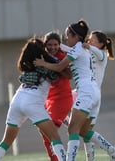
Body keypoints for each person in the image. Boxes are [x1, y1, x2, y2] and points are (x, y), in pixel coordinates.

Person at [34, 19, 115, 161]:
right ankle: (112, 150)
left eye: (68, 35)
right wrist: (47, 43)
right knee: (83, 131)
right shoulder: (80, 48)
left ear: (76, 37)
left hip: (86, 92)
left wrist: (42, 63)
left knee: (72, 130)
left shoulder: (80, 48)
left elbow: (59, 67)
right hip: (92, 92)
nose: (66, 37)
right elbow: (61, 47)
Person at [0, 38, 66, 161]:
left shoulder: (27, 64)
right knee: (55, 137)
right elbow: (60, 71)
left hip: (17, 99)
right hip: (32, 101)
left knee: (6, 141)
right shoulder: (46, 64)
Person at [39, 31, 73, 161]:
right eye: (49, 45)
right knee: (45, 131)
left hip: (62, 99)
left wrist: (53, 64)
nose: (53, 47)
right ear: (45, 45)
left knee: (49, 131)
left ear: (59, 45)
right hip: (48, 99)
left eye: (55, 45)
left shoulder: (62, 56)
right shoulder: (43, 56)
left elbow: (69, 75)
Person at [81, 30, 115, 161]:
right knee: (83, 131)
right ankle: (111, 150)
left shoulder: (102, 55)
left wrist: (88, 46)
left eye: (92, 40)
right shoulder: (88, 53)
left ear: (100, 44)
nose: (89, 41)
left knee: (85, 132)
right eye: (88, 39)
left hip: (93, 95)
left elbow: (99, 55)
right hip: (83, 93)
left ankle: (110, 150)